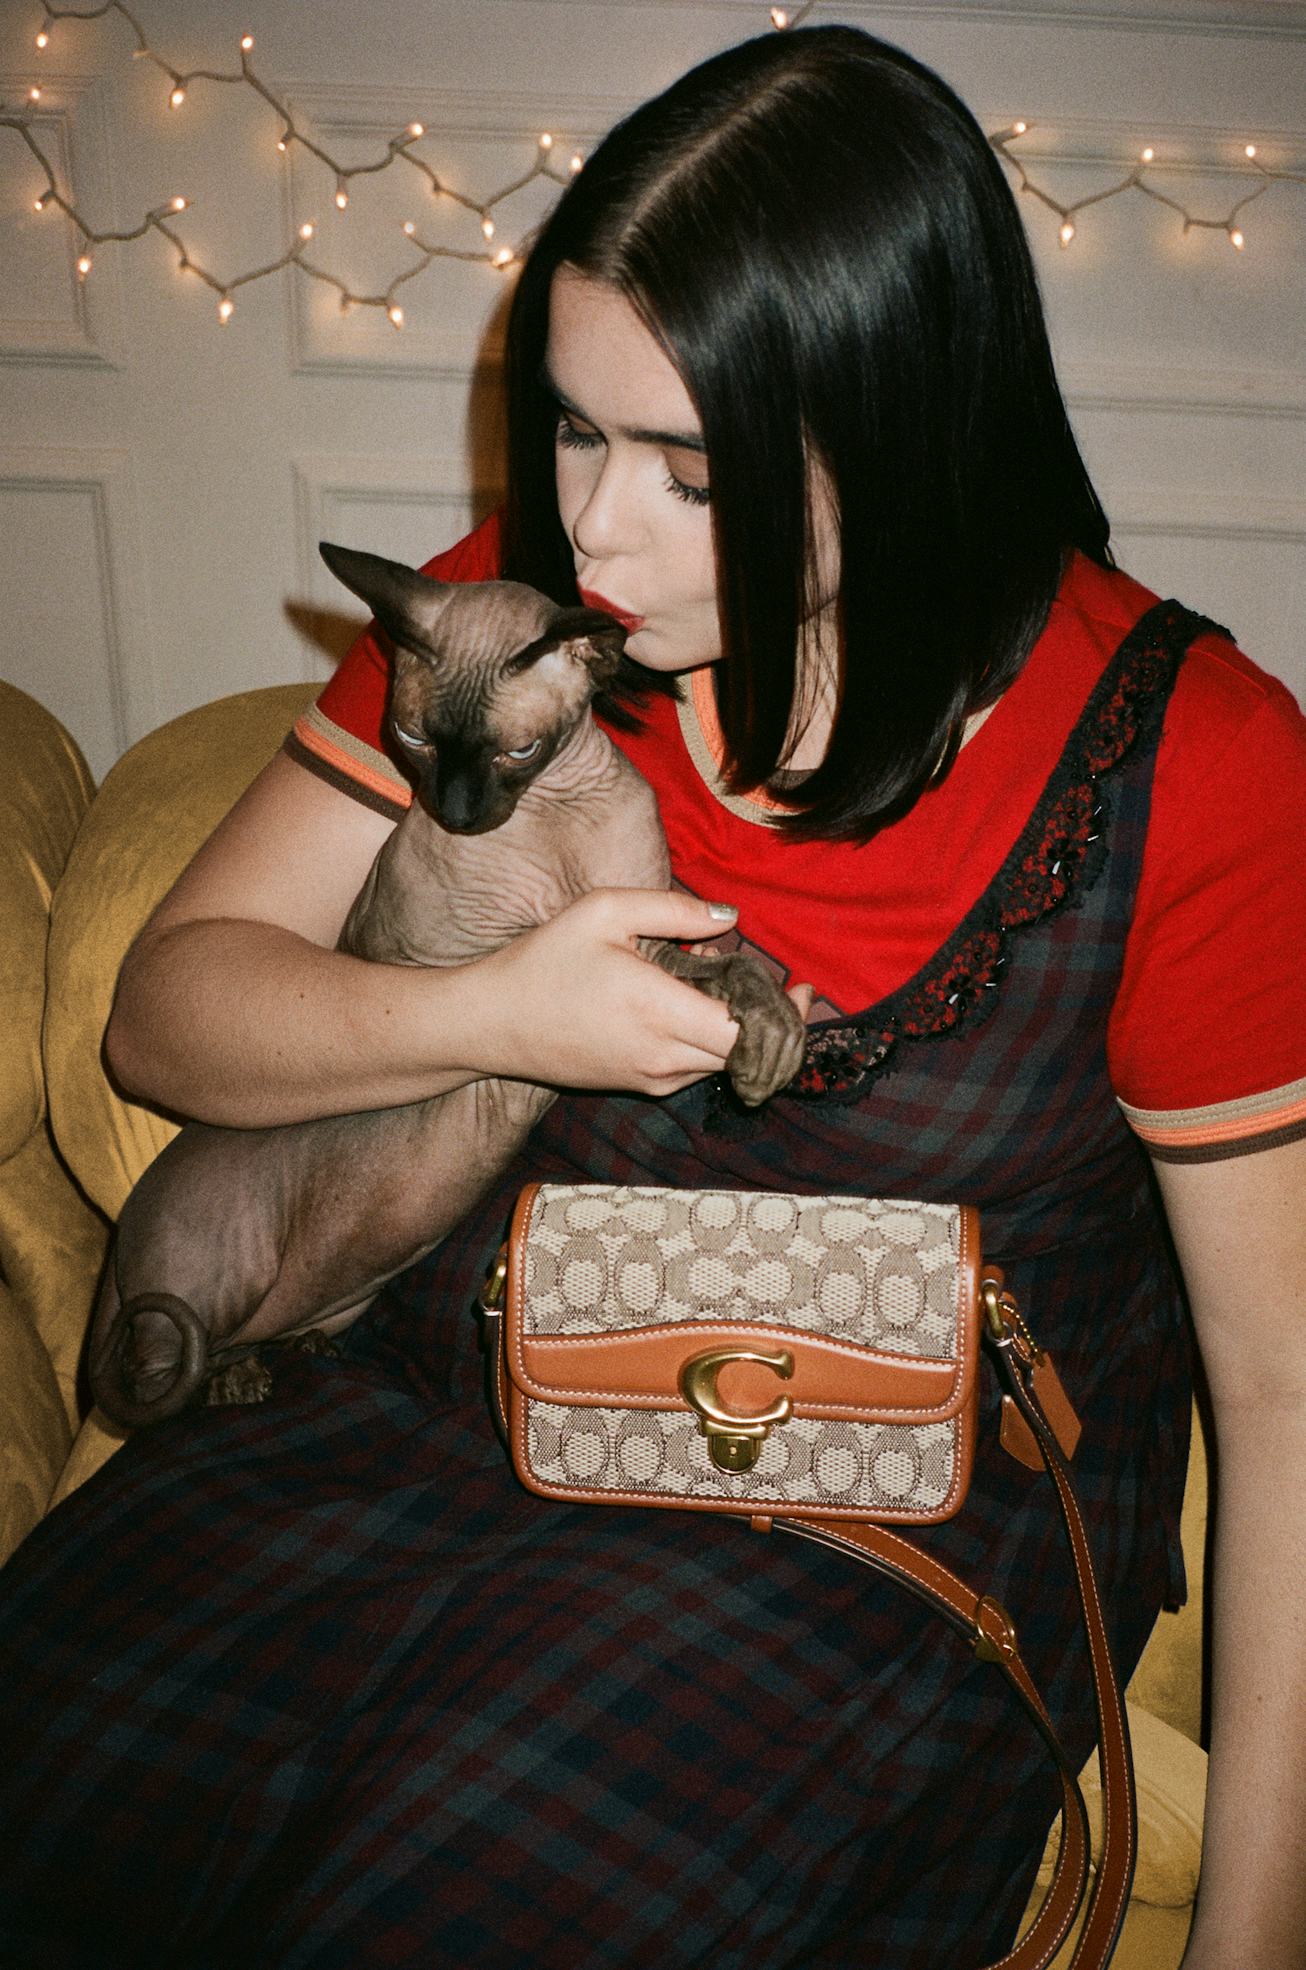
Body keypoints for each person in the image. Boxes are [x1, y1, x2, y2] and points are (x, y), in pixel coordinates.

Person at [1, 24, 1303, 1969]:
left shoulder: (1193, 760)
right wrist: (500, 1008)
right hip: (437, 1402)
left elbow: (1282, 1392)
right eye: (571, 430)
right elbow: (167, 1018)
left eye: (687, 470)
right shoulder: (512, 625)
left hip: (869, 1524)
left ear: (910, 429)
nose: (586, 531)